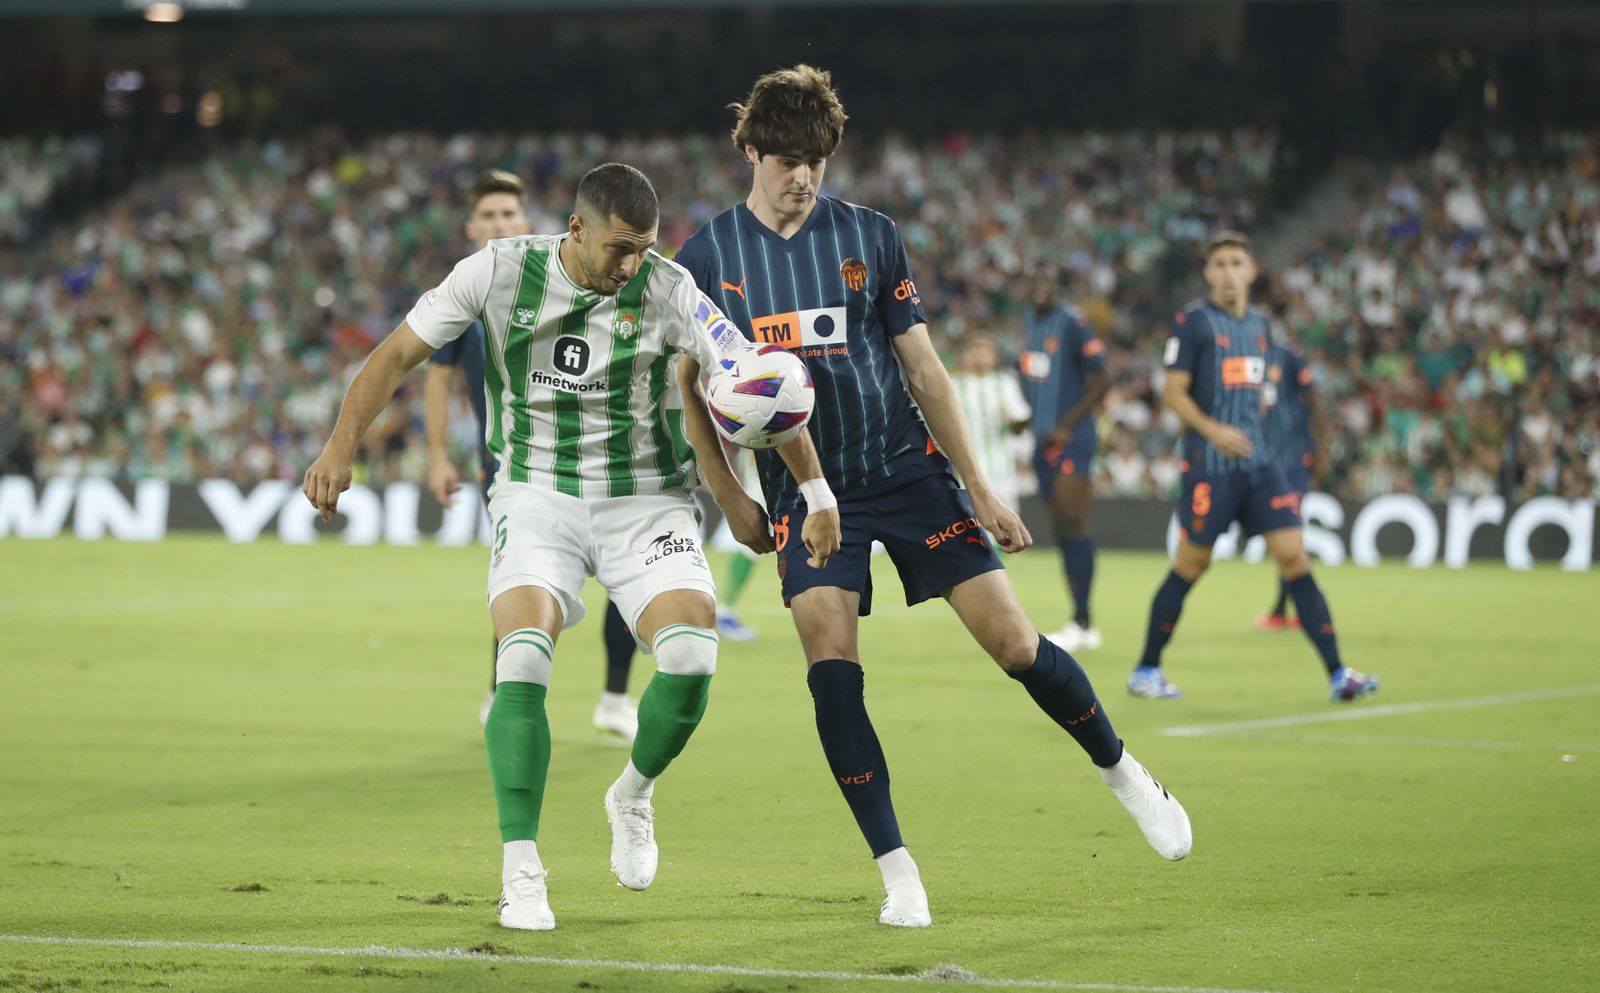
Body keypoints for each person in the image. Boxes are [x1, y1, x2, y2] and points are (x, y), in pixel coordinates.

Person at [673, 65, 1191, 930]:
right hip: (806, 490)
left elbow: (923, 367)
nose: (802, 175)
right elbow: (691, 387)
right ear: (752, 151)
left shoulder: (871, 237)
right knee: (833, 675)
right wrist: (727, 493)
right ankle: (898, 871)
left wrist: (981, 486)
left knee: (1018, 644)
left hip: (905, 471)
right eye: (787, 158)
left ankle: (1125, 772)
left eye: (818, 160)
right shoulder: (708, 257)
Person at [303, 163, 840, 932]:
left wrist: (815, 494)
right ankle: (521, 868)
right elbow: (393, 355)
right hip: (535, 493)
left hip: (647, 498)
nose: (631, 266)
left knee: (691, 660)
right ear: (577, 230)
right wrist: (338, 446)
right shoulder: (495, 270)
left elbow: (760, 383)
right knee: (520, 655)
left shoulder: (669, 288)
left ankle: (633, 792)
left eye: (644, 249)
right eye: (620, 249)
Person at [423, 169, 640, 737]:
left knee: (624, 575)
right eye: (487, 216)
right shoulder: (465, 292)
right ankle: (504, 691)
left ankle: (615, 697)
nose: (498, 225)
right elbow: (437, 379)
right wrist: (437, 455)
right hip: (509, 463)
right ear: (472, 227)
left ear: (525, 221)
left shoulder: (549, 281)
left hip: (592, 454)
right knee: (518, 579)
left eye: (507, 215)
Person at [1130, 231, 1378, 703]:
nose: (1228, 272)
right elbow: (1172, 393)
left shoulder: (1261, 326)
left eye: (1236, 262)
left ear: (1251, 270)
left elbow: (1258, 390)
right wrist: (1213, 429)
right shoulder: (1193, 323)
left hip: (1262, 465)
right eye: (1219, 263)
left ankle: (1337, 673)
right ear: (1207, 273)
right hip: (1211, 467)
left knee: (1294, 559)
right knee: (1192, 564)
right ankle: (1146, 669)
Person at [1019, 267, 1111, 651]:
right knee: (1062, 528)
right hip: (1040, 443)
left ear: (1059, 288)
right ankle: (1080, 617)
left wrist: (1066, 425)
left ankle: (1083, 619)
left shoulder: (1072, 322)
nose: (1041, 289)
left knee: (1073, 524)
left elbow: (1102, 378)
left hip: (1070, 441)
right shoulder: (1028, 323)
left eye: (1049, 283)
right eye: (1035, 282)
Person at [1256, 327, 1326, 631]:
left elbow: (1315, 399)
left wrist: (1321, 449)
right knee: (1283, 535)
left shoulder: (1287, 356)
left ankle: (1285, 611)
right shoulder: (1245, 360)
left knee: (1288, 534)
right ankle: (1288, 609)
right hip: (1265, 460)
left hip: (1293, 459)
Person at [950, 332, 1032, 516]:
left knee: (1006, 523)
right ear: (965, 355)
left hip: (1001, 467)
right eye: (975, 349)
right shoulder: (953, 384)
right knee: (971, 522)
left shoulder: (1005, 383)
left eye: (985, 350)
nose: (980, 354)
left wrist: (1013, 419)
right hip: (965, 468)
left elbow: (1021, 424)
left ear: (994, 356)